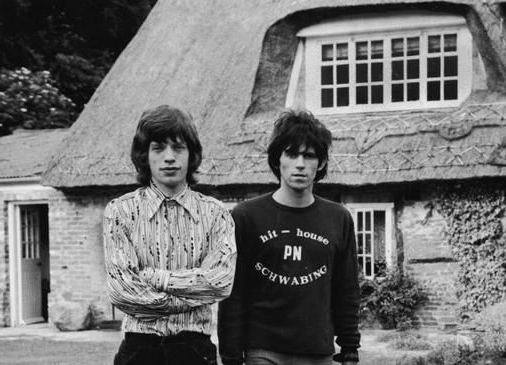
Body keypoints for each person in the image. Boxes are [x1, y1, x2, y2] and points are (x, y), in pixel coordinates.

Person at [218, 110, 361, 365]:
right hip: (263, 350)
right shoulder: (246, 217)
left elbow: (347, 289)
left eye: (309, 156)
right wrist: (230, 355)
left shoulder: (338, 218)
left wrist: (349, 348)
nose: (300, 164)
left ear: (322, 163)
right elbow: (234, 292)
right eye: (291, 154)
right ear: (277, 160)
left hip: (318, 351)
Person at [103, 105, 237, 365]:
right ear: (145, 155)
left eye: (178, 148)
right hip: (139, 350)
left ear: (191, 154)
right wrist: (191, 297)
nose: (169, 157)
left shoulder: (216, 213)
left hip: (194, 350)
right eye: (158, 148)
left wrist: (155, 277)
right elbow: (122, 292)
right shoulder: (119, 211)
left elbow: (221, 282)